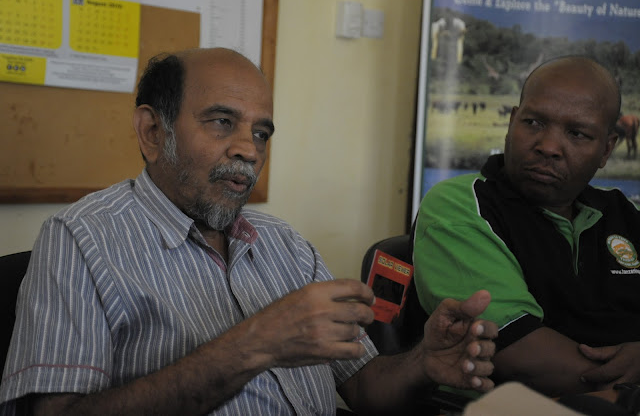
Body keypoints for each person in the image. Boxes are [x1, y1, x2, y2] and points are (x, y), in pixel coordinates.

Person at [0, 48, 498, 415]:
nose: (249, 149)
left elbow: (363, 386)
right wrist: (254, 344)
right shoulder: (81, 240)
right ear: (153, 132)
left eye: (261, 132)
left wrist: (422, 363)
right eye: (222, 122)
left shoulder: (287, 246)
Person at [413, 55, 640, 398]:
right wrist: (629, 389)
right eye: (533, 122)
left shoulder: (623, 212)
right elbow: (521, 358)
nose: (548, 147)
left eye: (577, 133)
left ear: (606, 149)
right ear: (512, 121)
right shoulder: (461, 206)